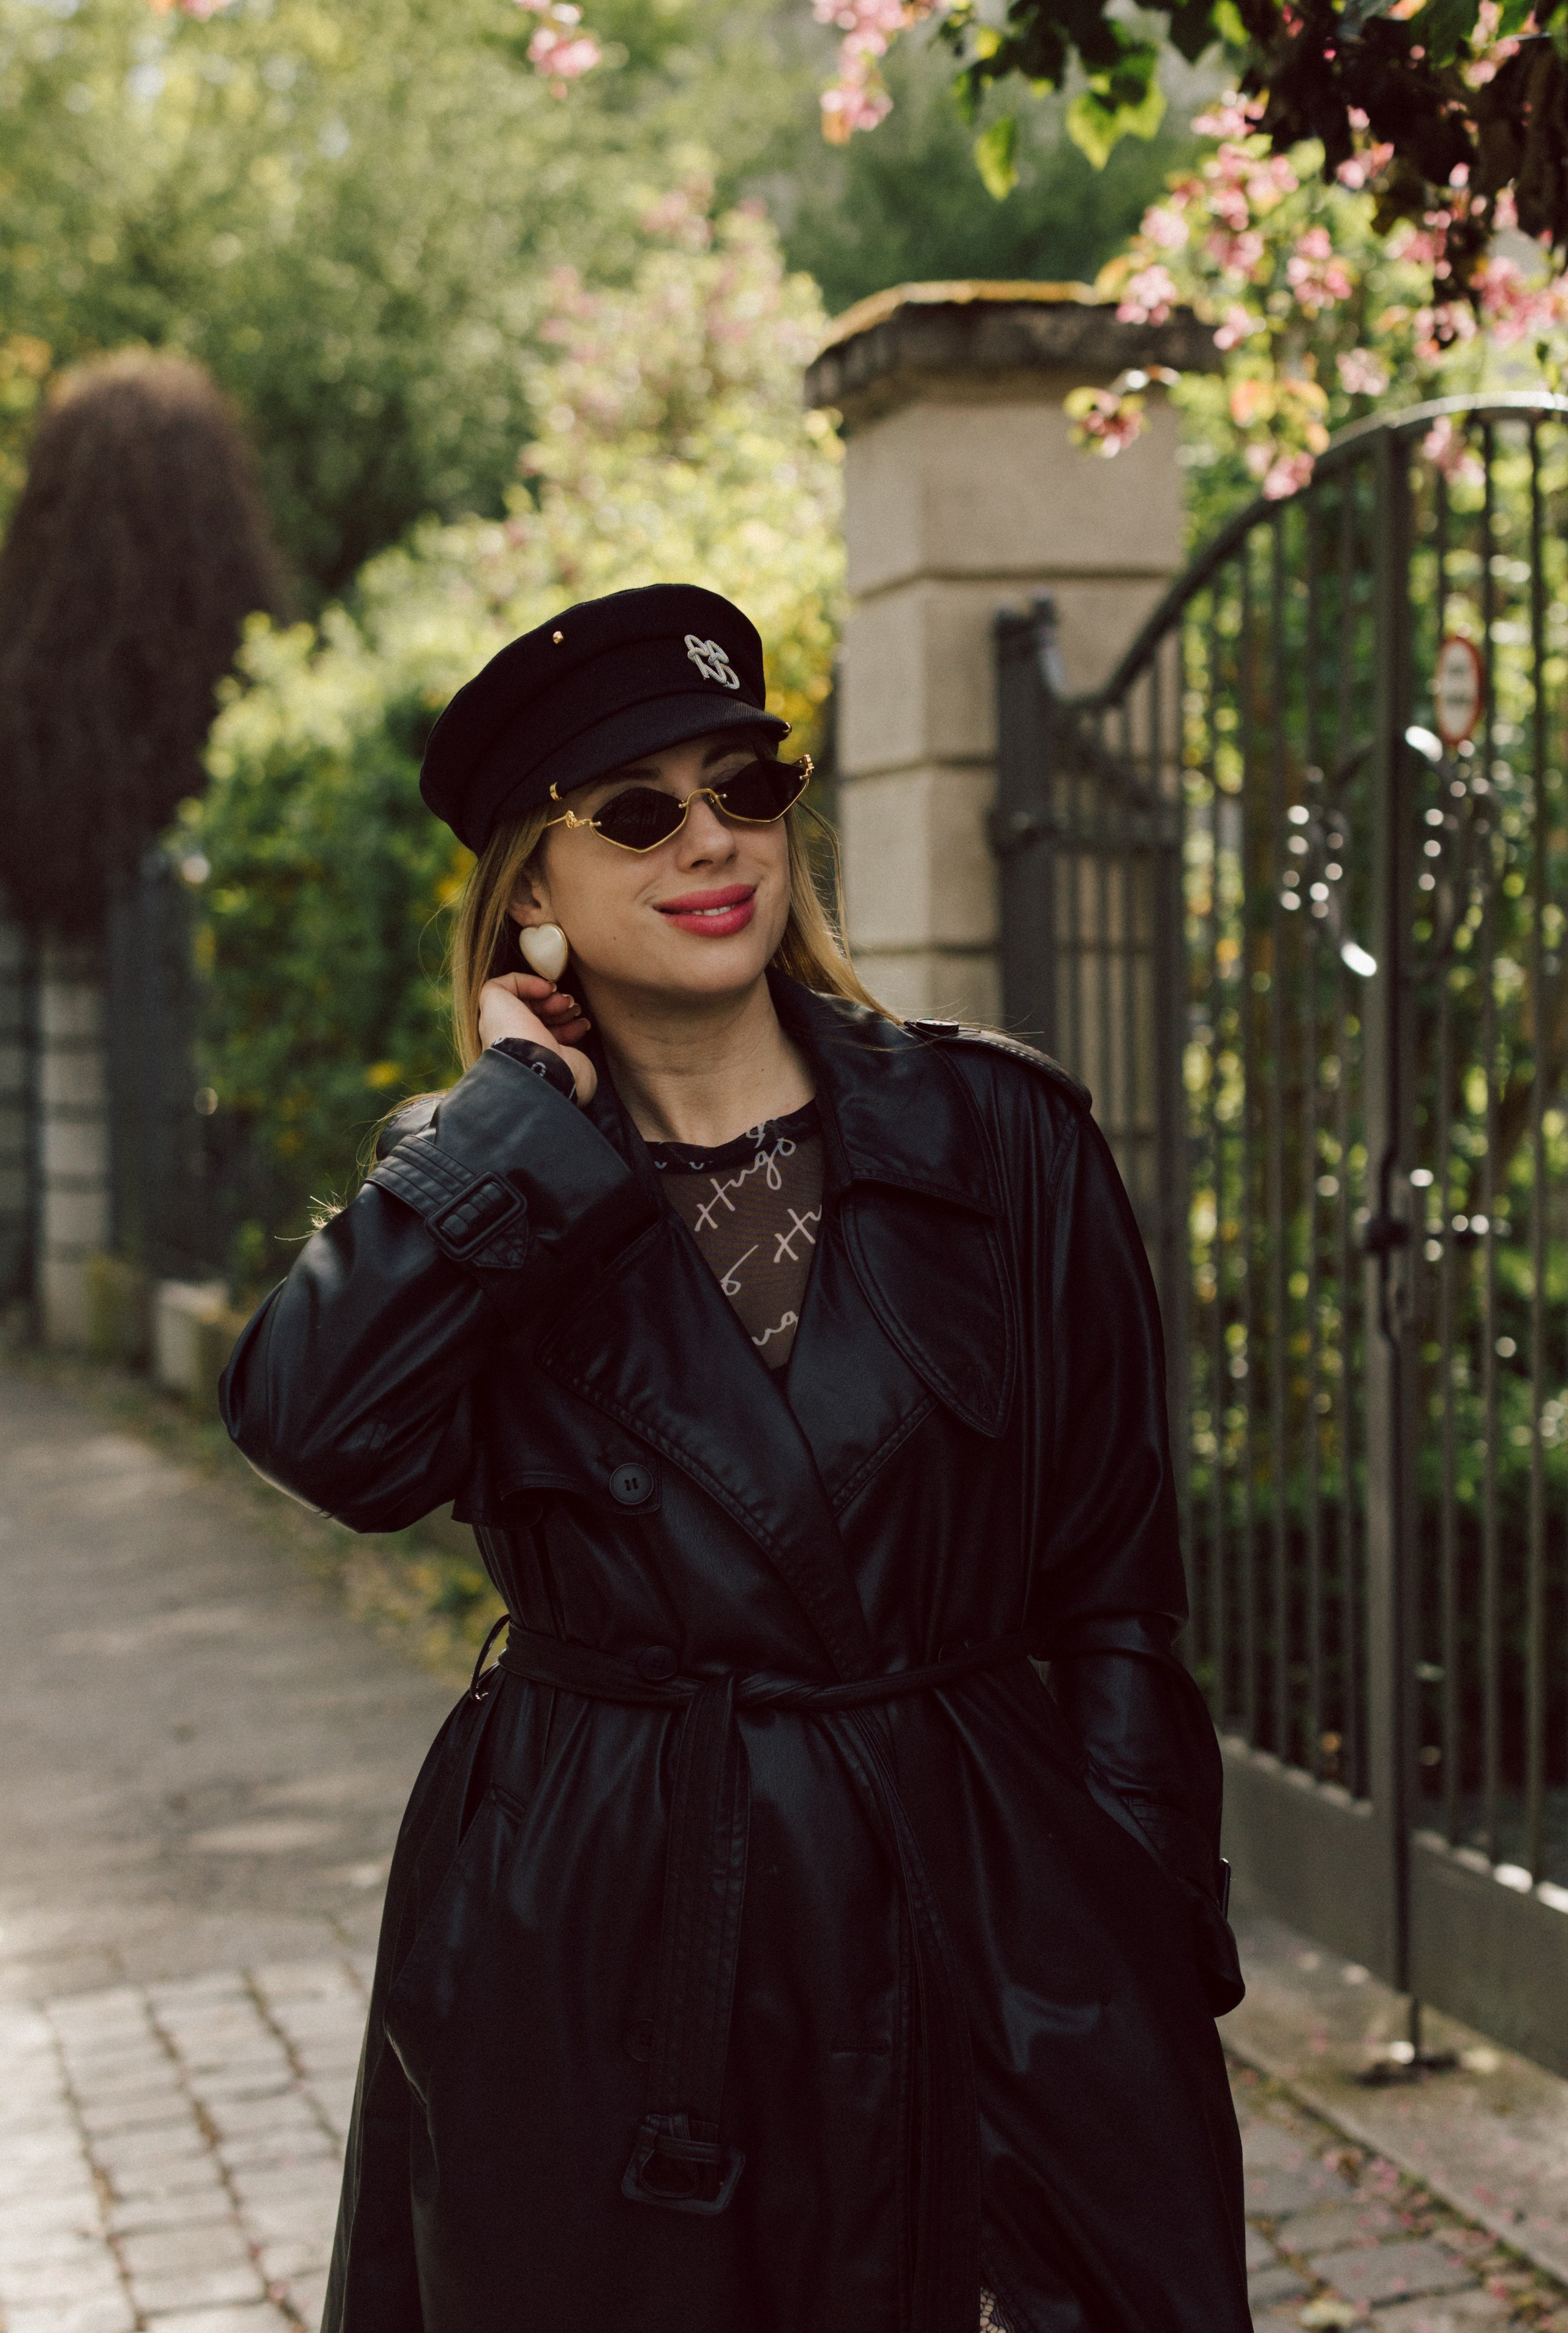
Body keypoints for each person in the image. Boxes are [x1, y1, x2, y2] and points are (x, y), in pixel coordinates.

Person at [222, 583, 1250, 2333]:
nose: (711, 841)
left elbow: (1117, 1586)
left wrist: (1136, 1946)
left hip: (981, 1901)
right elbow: (318, 1432)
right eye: (636, 811)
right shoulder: (482, 1194)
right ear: (530, 895)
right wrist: (506, 1134)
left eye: (746, 787)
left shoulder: (998, 1136)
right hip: (617, 1927)